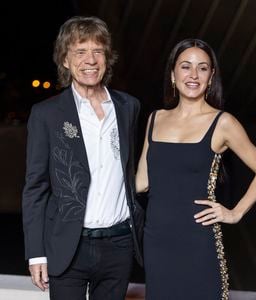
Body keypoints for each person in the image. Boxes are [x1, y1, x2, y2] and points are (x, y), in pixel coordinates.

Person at [135, 38, 256, 300]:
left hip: (198, 241)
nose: (193, 75)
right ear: (173, 74)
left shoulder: (222, 123)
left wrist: (235, 213)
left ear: (211, 77)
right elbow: (142, 182)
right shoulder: (155, 119)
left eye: (202, 68)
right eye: (186, 66)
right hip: (156, 242)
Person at [22, 16, 144, 300]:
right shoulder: (47, 114)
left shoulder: (128, 108)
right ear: (65, 60)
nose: (90, 60)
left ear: (107, 58)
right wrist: (35, 253)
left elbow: (129, 170)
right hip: (68, 246)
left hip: (119, 245)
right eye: (80, 51)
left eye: (97, 51)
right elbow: (35, 187)